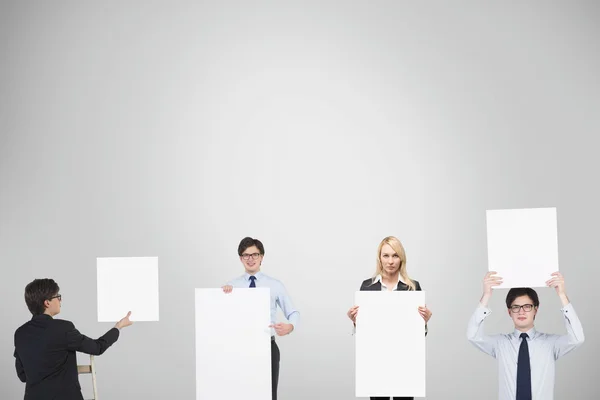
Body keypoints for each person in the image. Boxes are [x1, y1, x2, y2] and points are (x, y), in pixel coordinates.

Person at [467, 271, 585, 400]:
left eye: (527, 306)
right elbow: (473, 336)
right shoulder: (500, 344)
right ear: (509, 312)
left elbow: (577, 339)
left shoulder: (550, 344)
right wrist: (486, 295)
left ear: (536, 309)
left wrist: (562, 295)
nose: (521, 311)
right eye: (516, 307)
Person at [13, 278, 132, 400]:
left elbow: (23, 376)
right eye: (57, 296)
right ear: (47, 303)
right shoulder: (63, 328)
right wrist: (118, 327)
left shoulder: (20, 333)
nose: (60, 300)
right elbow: (97, 348)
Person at [347, 236, 432, 400]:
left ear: (401, 258)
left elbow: (418, 336)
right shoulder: (367, 287)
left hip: (404, 359)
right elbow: (365, 333)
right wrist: (356, 321)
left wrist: (424, 322)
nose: (390, 261)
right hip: (377, 359)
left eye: (395, 255)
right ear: (379, 258)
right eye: (386, 255)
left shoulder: (412, 287)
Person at [222, 237, 299, 400]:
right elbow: (223, 319)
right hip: (240, 348)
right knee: (240, 394)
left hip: (267, 347)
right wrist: (222, 297)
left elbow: (293, 313)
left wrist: (290, 327)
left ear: (262, 257)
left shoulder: (275, 285)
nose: (250, 259)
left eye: (254, 254)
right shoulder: (231, 286)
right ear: (240, 259)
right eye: (246, 255)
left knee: (268, 395)